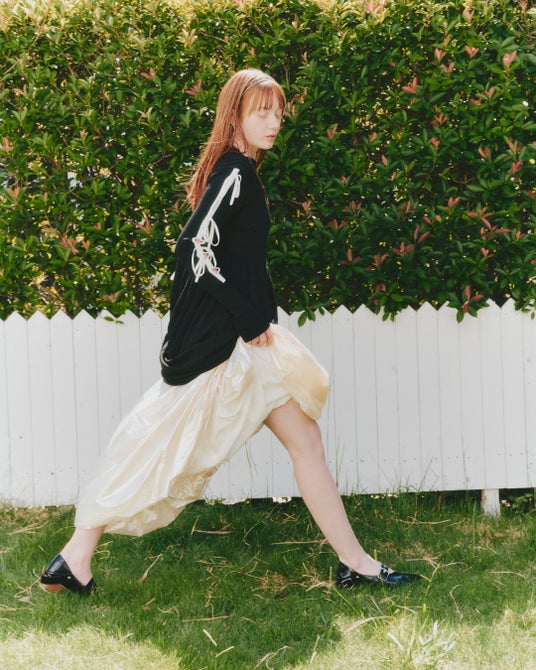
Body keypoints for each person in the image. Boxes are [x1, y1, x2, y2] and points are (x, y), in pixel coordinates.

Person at [40, 69, 421, 595]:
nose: (274, 121)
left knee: (305, 441)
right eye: (262, 111)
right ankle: (75, 555)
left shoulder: (237, 171)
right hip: (223, 347)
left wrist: (254, 318)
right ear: (235, 115)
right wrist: (247, 317)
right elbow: (194, 247)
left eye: (278, 112)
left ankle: (356, 563)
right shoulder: (235, 171)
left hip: (247, 346)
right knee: (152, 444)